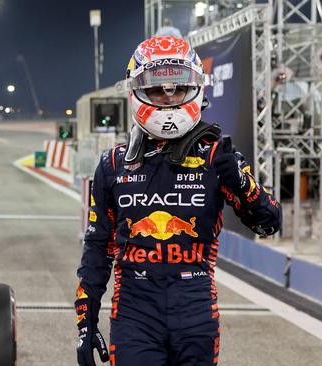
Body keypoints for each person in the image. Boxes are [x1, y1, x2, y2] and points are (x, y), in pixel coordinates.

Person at [75, 36, 282, 366]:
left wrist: (241, 184)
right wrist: (85, 321)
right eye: (157, 89)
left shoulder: (219, 157)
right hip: (134, 309)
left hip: (195, 306)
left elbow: (270, 223)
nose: (168, 98)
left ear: (196, 88)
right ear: (137, 91)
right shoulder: (112, 164)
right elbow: (98, 247)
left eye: (178, 88)